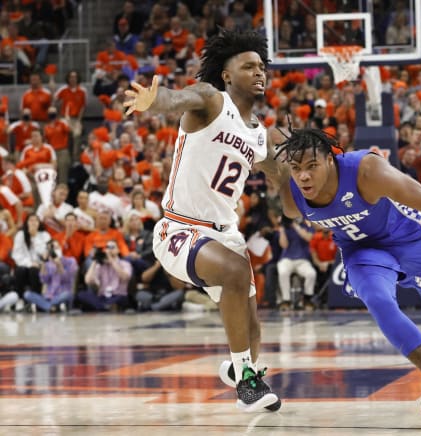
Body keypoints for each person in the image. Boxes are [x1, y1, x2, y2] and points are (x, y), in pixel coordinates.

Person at [272, 126, 421, 419]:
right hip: (360, 250)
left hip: (407, 237)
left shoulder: (366, 170)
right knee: (378, 300)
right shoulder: (292, 196)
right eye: (296, 168)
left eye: (312, 166)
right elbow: (284, 190)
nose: (303, 176)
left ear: (331, 160)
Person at [123, 28, 280, 412]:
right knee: (235, 273)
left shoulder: (261, 136)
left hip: (225, 234)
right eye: (248, 66)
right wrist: (154, 100)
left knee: (252, 327)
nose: (259, 72)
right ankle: (246, 381)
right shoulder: (212, 100)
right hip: (180, 228)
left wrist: (305, 193)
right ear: (227, 75)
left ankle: (238, 368)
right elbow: (177, 98)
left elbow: (283, 181)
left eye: (262, 66)